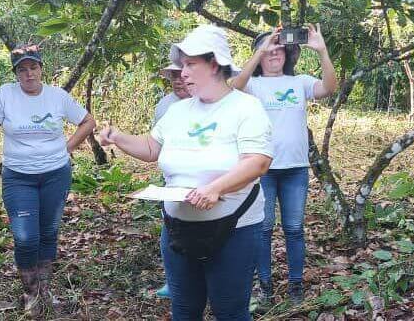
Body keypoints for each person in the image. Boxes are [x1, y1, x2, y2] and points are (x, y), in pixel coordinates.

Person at [99, 25, 273, 320]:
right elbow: (152, 148)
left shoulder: (246, 108)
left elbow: (257, 161)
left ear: (215, 64)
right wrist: (118, 137)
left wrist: (216, 188)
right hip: (177, 230)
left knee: (230, 311)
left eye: (191, 64)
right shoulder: (178, 111)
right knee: (183, 309)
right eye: (182, 65)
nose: (184, 73)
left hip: (233, 229)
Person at [0, 45, 96, 315]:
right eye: (22, 69)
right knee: (25, 238)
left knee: (48, 232)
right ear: (16, 73)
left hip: (55, 175)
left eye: (33, 67)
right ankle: (30, 292)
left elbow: (88, 122)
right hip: (19, 176)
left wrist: (65, 149)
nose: (29, 74)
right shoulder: (6, 95)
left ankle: (44, 292)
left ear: (41, 69)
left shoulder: (57, 96)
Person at [231, 24, 337, 305]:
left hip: (295, 169)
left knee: (294, 229)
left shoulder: (299, 81)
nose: (274, 53)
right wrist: (259, 50)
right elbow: (233, 86)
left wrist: (322, 51)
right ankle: (264, 286)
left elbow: (330, 87)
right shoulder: (253, 85)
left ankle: (295, 286)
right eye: (269, 50)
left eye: (279, 48)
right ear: (260, 56)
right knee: (263, 229)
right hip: (261, 169)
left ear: (287, 54)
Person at [153, 63, 191, 299]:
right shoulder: (165, 105)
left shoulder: (212, 103)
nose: (178, 80)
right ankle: (173, 280)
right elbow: (155, 143)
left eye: (181, 75)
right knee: (170, 227)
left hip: (206, 179)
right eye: (173, 76)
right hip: (172, 177)